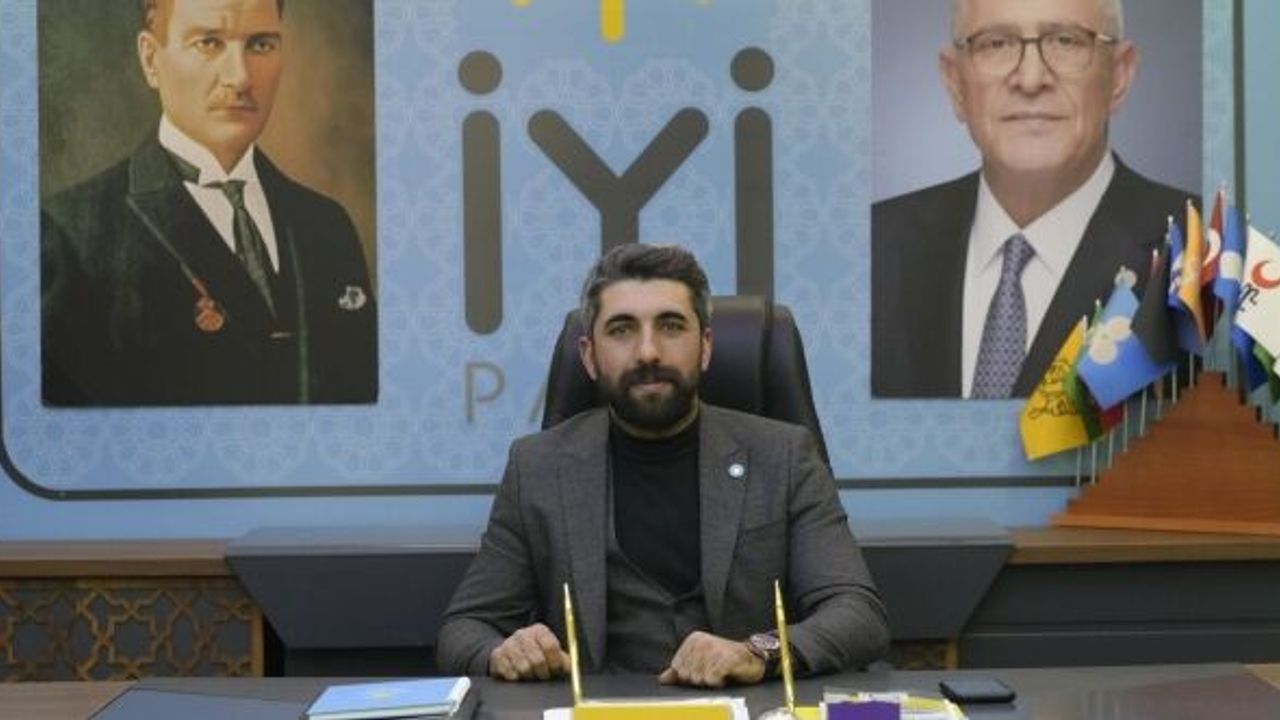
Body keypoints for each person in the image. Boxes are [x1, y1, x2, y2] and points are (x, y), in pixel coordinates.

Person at [436, 244, 889, 687]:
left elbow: (857, 613)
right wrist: (504, 652)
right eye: (621, 330)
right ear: (589, 356)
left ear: (705, 346)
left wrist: (757, 652)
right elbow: (465, 628)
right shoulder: (537, 467)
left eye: (671, 326)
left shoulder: (784, 456)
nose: (648, 352)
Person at [40, 0, 376, 406]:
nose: (240, 77)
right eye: (209, 43)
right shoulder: (68, 237)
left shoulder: (328, 225)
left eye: (261, 44)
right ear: (151, 60)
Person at [871, 0, 1192, 398]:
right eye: (996, 43)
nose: (1030, 79)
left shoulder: (1199, 252)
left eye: (1065, 41)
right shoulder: (871, 247)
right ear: (955, 83)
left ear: (1119, 76)